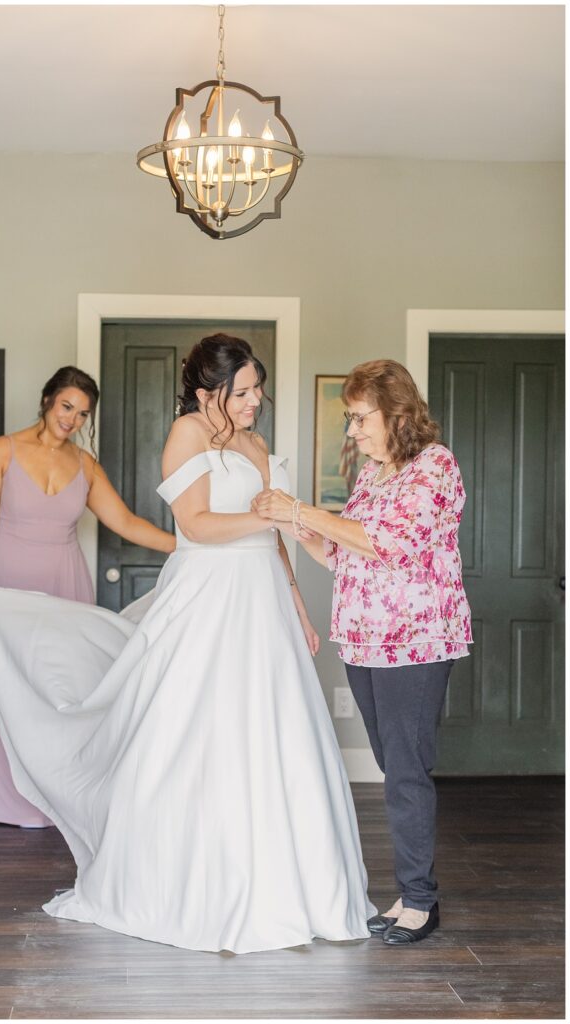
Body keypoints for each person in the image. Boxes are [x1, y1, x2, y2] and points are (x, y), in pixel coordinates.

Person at [0, 334, 376, 953]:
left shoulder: (258, 445)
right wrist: (272, 516)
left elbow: (274, 541)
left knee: (274, 728)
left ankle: (295, 886)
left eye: (258, 389)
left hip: (262, 598)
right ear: (209, 392)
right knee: (194, 729)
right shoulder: (186, 435)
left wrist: (294, 598)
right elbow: (196, 525)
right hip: (209, 596)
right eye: (242, 392)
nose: (255, 401)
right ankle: (189, 884)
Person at [253, 358, 472, 946]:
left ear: (395, 412)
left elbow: (391, 544)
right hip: (365, 639)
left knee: (404, 768)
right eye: (349, 420)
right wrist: (308, 535)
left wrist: (302, 510)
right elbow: (352, 557)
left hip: (416, 641)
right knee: (390, 763)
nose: (352, 431)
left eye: (358, 418)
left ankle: (421, 900)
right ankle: (408, 893)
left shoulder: (435, 466)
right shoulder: (372, 476)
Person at [0, 365, 175, 827]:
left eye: (82, 414)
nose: (72, 419)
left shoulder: (85, 465)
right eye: (66, 407)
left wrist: (187, 545)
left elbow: (127, 523)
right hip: (9, 582)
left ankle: (58, 797)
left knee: (63, 687)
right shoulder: (4, 450)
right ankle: (3, 795)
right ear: (47, 401)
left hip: (65, 582)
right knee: (6, 682)